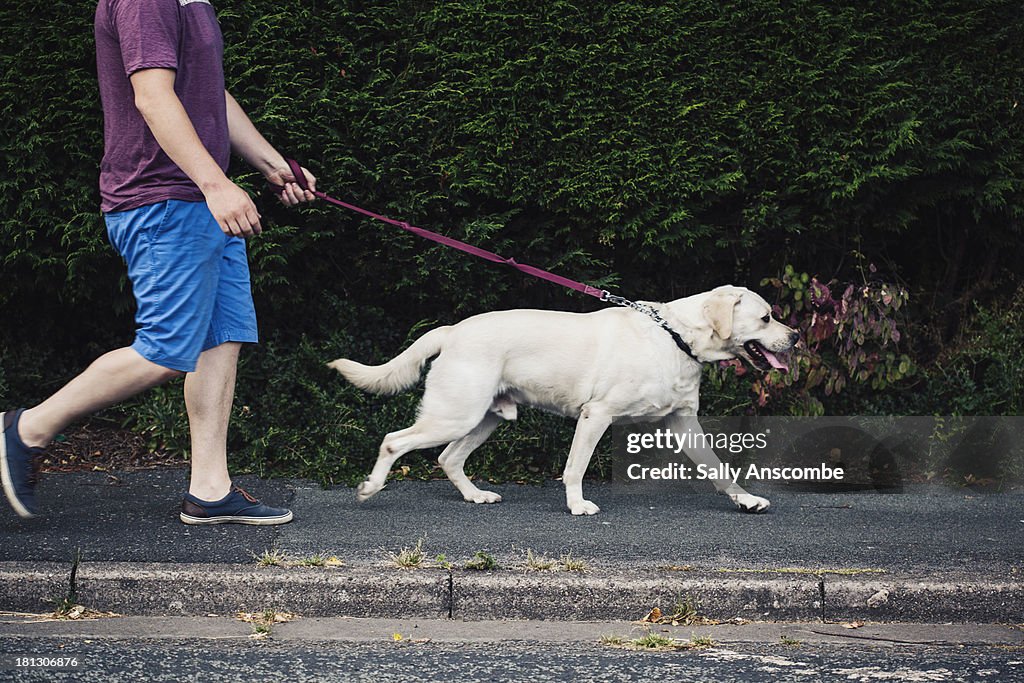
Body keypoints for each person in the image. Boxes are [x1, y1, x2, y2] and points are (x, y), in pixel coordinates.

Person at [1, 0, 315, 524]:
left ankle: (210, 490)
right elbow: (151, 95)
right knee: (167, 350)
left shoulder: (195, 3)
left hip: (197, 199)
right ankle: (24, 430)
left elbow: (209, 95)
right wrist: (216, 184)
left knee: (222, 337)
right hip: (163, 198)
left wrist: (273, 166)